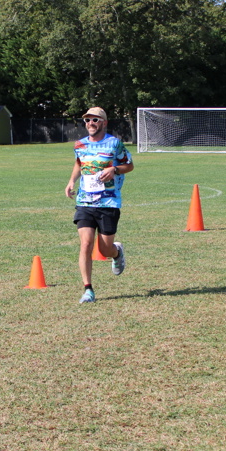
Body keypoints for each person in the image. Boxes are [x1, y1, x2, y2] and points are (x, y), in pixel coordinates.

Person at [65, 106, 134, 303]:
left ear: (104, 123)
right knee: (86, 244)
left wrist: (114, 170)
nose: (90, 123)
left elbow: (129, 165)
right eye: (87, 120)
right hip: (85, 201)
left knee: (104, 250)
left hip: (108, 202)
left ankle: (116, 253)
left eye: (95, 120)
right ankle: (88, 290)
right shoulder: (80, 144)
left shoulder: (114, 144)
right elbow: (79, 163)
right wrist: (71, 181)